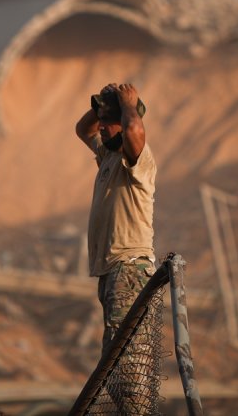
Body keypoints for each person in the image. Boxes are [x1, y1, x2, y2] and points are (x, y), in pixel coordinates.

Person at [75, 82, 157, 356]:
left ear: (122, 124)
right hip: (113, 269)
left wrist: (128, 105)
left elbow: (134, 130)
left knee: (126, 354)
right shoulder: (109, 156)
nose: (100, 127)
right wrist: (101, 105)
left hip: (129, 267)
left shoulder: (137, 159)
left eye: (107, 123)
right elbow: (82, 130)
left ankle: (132, 399)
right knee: (114, 351)